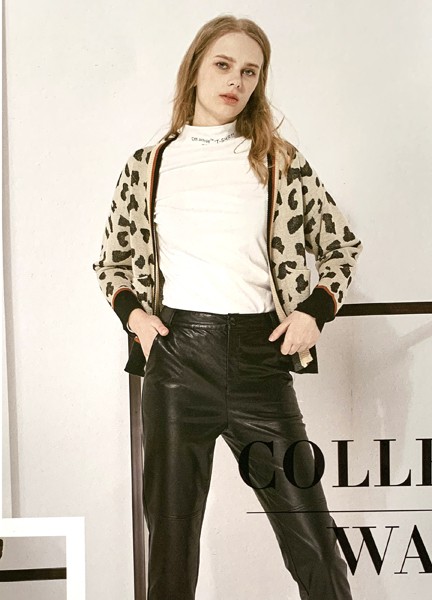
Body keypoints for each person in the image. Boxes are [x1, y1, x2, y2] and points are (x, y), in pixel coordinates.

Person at [93, 14, 362, 600]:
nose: (235, 81)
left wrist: (313, 312)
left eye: (249, 71)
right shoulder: (149, 165)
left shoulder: (278, 162)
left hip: (260, 364)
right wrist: (137, 319)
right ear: (195, 70)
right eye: (223, 65)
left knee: (312, 537)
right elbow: (112, 263)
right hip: (177, 364)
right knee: (171, 544)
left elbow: (341, 244)